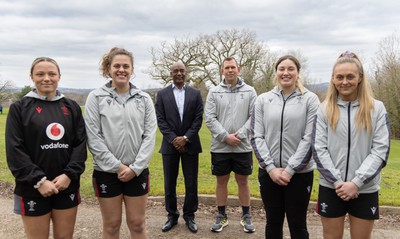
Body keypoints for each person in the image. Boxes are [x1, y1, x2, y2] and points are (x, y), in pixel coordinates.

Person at [5, 57, 87, 239]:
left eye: (52, 73)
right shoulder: (19, 108)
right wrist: (39, 181)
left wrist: (69, 175)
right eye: (40, 74)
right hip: (32, 188)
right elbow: (15, 150)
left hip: (66, 186)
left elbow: (80, 145)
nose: (46, 78)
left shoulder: (71, 107)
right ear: (32, 77)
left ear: (59, 76)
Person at [312, 51, 391, 238]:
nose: (344, 82)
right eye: (339, 77)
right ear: (332, 79)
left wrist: (356, 183)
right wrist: (339, 182)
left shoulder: (376, 108)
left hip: (365, 188)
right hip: (332, 187)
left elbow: (380, 150)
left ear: (360, 78)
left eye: (350, 76)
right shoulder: (323, 109)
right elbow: (318, 149)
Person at [84, 47, 157, 239]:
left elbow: (150, 136)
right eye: (116, 65)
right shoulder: (96, 97)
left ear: (132, 70)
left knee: (137, 224)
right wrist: (117, 166)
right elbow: (93, 136)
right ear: (108, 68)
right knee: (111, 225)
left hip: (137, 172)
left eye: (126, 66)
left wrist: (136, 168)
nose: (121, 70)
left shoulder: (144, 99)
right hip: (106, 172)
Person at [250, 55, 320, 238]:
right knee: (272, 223)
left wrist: (289, 170)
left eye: (291, 69)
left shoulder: (310, 99)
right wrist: (271, 168)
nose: (286, 73)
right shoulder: (263, 99)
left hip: (299, 174)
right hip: (269, 173)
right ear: (276, 73)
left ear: (298, 73)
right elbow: (257, 136)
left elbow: (310, 138)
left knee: (298, 225)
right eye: (281, 69)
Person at [205, 56, 257, 233]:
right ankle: (221, 215)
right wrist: (225, 137)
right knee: (222, 181)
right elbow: (210, 119)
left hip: (242, 147)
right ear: (222, 70)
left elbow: (254, 117)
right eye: (226, 67)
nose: (230, 70)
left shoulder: (250, 91)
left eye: (232, 67)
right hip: (221, 147)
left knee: (243, 181)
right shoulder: (214, 92)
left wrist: (240, 136)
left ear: (238, 68)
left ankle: (246, 215)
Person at [155, 61, 203, 233]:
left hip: (191, 145)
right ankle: (172, 216)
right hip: (169, 146)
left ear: (186, 72)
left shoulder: (195, 94)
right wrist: (174, 139)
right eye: (175, 71)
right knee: (170, 183)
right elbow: (160, 119)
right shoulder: (161, 94)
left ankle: (189, 216)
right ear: (171, 73)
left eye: (182, 70)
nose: (179, 73)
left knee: (191, 183)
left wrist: (186, 138)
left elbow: (198, 119)